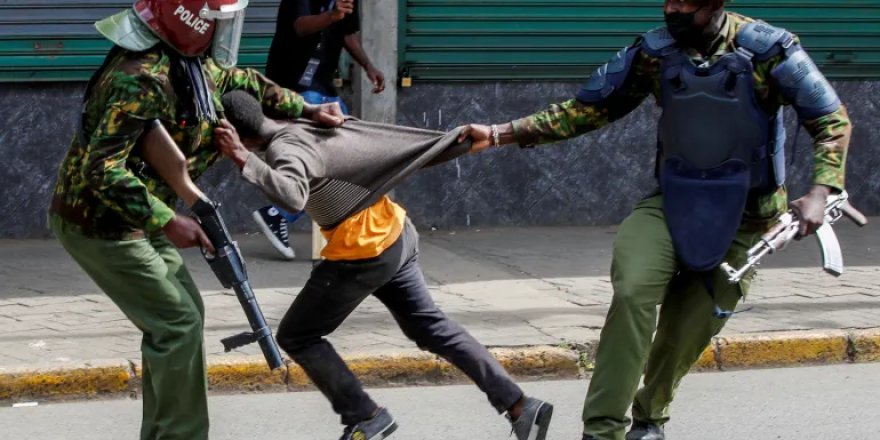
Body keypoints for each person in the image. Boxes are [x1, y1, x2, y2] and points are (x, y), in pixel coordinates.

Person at [458, 1, 852, 439]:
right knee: (633, 289)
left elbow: (831, 120)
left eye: (686, 1)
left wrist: (820, 192)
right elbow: (588, 109)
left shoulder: (769, 51)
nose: (673, 9)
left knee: (688, 328)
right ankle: (602, 429)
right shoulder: (655, 53)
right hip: (672, 203)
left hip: (747, 219)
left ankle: (650, 420)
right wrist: (498, 133)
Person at [47, 1, 341, 438]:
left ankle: (164, 431)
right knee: (176, 323)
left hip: (140, 216)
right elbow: (102, 170)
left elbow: (247, 82)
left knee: (186, 315)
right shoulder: (140, 79)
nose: (224, 29)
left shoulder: (191, 64)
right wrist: (169, 220)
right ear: (190, 20)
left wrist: (307, 110)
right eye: (218, 19)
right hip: (98, 222)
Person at [213, 90, 554, 440]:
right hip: (395, 232)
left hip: (363, 249)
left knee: (297, 335)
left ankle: (366, 416)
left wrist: (243, 159)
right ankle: (519, 405)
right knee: (429, 327)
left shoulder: (284, 150)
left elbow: (292, 196)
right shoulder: (305, 123)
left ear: (236, 135)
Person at [253, 0, 386, 260]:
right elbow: (300, 27)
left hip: (324, 88)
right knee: (316, 161)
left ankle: (337, 228)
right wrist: (331, 16)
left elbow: (349, 35)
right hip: (293, 89)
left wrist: (368, 66)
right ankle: (278, 214)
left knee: (349, 154)